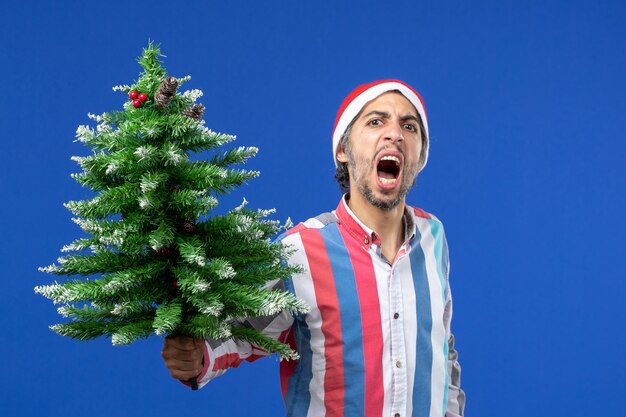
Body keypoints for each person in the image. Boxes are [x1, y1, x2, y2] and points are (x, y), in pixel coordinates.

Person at [162, 79, 466, 417]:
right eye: (376, 121)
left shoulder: (433, 236)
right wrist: (197, 357)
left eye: (409, 126)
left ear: (420, 153)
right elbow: (240, 334)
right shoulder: (300, 250)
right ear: (343, 150)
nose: (395, 133)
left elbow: (442, 348)